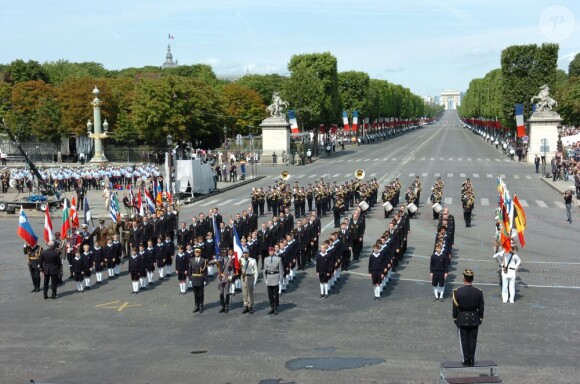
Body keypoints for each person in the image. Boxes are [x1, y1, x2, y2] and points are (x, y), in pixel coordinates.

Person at [452, 269, 484, 367]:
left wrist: (455, 318)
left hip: (462, 318)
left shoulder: (458, 292)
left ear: (464, 279)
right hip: (474, 318)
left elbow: (455, 308)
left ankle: (465, 359)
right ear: (472, 279)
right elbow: (481, 307)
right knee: (473, 340)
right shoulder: (478, 292)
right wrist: (480, 318)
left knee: (464, 340)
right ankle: (472, 359)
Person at [264, 246, 283, 315]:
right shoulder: (266, 259)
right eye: (269, 251)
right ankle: (272, 307)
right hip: (269, 277)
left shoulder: (278, 259)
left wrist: (280, 280)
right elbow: (264, 270)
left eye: (272, 251)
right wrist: (265, 279)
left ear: (274, 251)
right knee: (270, 294)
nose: (270, 252)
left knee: (275, 294)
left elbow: (281, 270)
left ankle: (275, 307)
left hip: (275, 277)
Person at [189, 247, 207, 313]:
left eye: (198, 252)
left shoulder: (203, 260)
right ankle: (196, 306)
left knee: (201, 293)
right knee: (195, 293)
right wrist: (190, 278)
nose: (196, 253)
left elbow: (205, 271)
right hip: (194, 278)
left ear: (200, 253)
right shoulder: (191, 260)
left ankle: (201, 305)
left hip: (200, 278)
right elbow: (190, 269)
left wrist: (205, 279)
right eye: (195, 252)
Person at [240, 249, 257, 314]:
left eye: (246, 253)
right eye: (244, 253)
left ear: (248, 254)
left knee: (250, 292)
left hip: (250, 276)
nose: (245, 254)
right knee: (244, 292)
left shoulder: (252, 260)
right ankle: (245, 305)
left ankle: (250, 306)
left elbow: (255, 271)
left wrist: (255, 281)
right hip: (243, 277)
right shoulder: (241, 260)